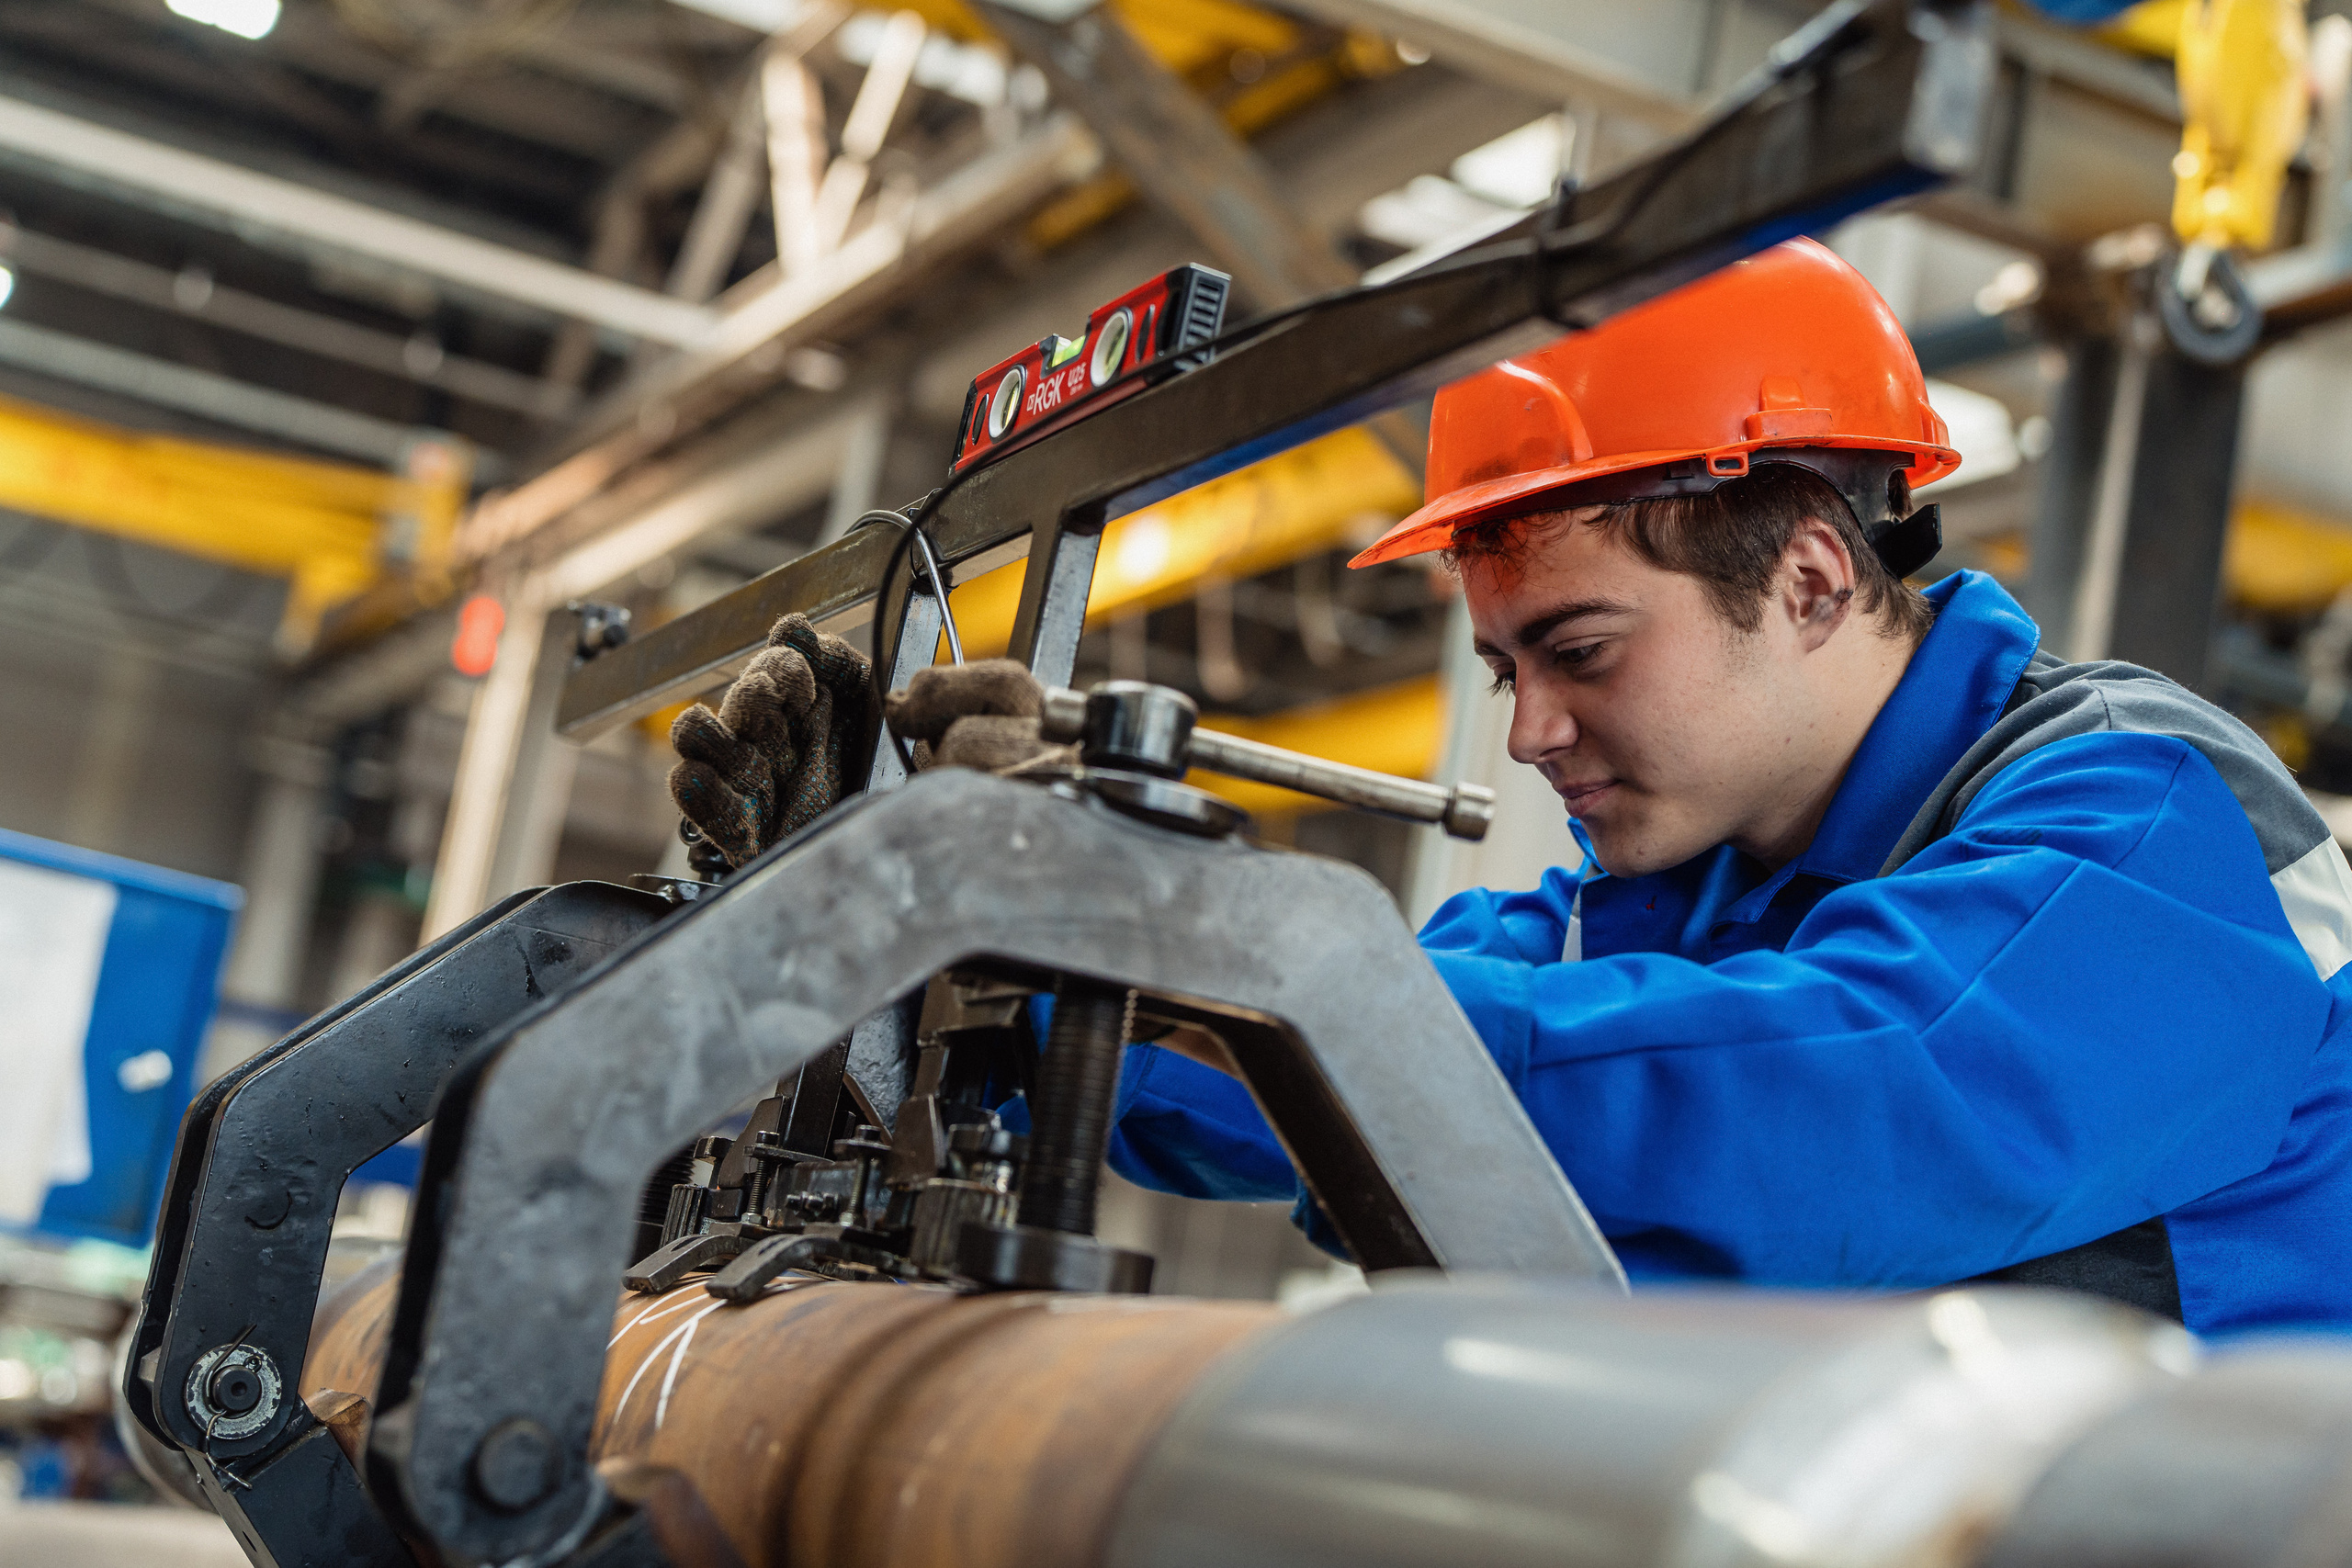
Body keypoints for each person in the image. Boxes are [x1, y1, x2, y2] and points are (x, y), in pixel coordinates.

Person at [673, 239, 2352, 1337]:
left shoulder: (2150, 821)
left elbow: (1846, 1110)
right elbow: (1378, 1048)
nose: (1532, 730)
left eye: (1584, 649)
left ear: (1819, 578)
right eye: (1504, 670)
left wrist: (1167, 950)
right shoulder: (1679, 893)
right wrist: (993, 970)